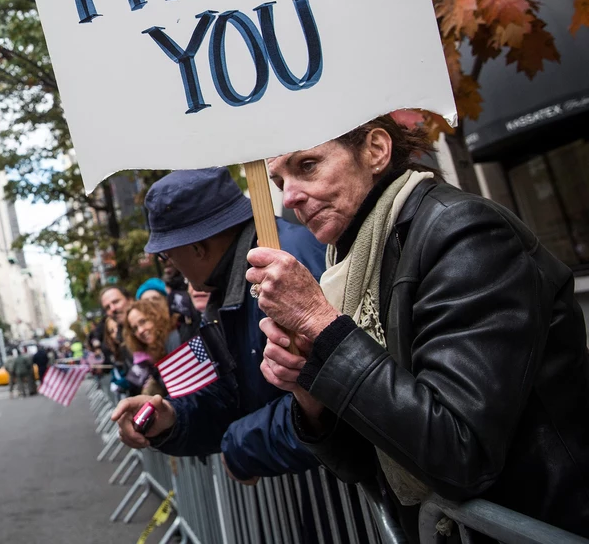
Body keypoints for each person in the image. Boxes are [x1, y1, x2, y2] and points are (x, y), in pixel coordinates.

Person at [244, 115, 589, 537]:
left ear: (375, 150)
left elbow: (460, 452)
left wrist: (321, 325)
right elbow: (366, 462)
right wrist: (310, 395)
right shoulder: (353, 262)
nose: (291, 198)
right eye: (279, 182)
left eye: (308, 166)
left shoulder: (464, 232)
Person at [112, 167, 328, 483]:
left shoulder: (285, 266)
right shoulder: (229, 288)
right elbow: (229, 397)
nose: (170, 265)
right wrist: (172, 419)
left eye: (169, 255)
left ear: (198, 249)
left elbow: (328, 399)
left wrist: (243, 445)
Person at [122, 296, 172, 395]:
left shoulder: (173, 341)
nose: (140, 331)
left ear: (156, 316)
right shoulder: (149, 358)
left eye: (143, 322)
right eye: (135, 328)